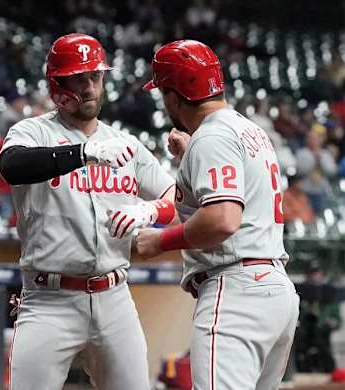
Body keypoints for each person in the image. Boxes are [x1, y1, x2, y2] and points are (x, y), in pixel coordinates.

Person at [0, 33, 176, 390]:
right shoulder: (33, 131)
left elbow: (174, 193)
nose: (90, 86)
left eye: (96, 76)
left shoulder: (125, 143)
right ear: (58, 84)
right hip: (49, 300)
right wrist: (82, 154)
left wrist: (152, 210)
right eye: (80, 78)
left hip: (114, 297)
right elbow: (10, 165)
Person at [126, 40, 300, 389]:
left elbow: (222, 219)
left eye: (164, 92)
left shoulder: (212, 138)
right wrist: (191, 156)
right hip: (273, 287)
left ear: (174, 96)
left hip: (236, 291)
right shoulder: (247, 129)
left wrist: (160, 241)